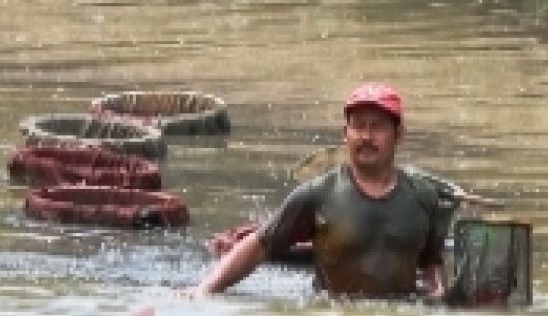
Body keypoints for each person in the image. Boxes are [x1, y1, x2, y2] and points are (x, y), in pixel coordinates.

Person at [188, 83, 446, 300]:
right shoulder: (318, 194)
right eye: (358, 126)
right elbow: (260, 246)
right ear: (345, 134)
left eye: (377, 126)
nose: (366, 136)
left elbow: (431, 261)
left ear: (398, 134)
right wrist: (206, 289)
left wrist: (439, 298)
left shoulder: (424, 197)